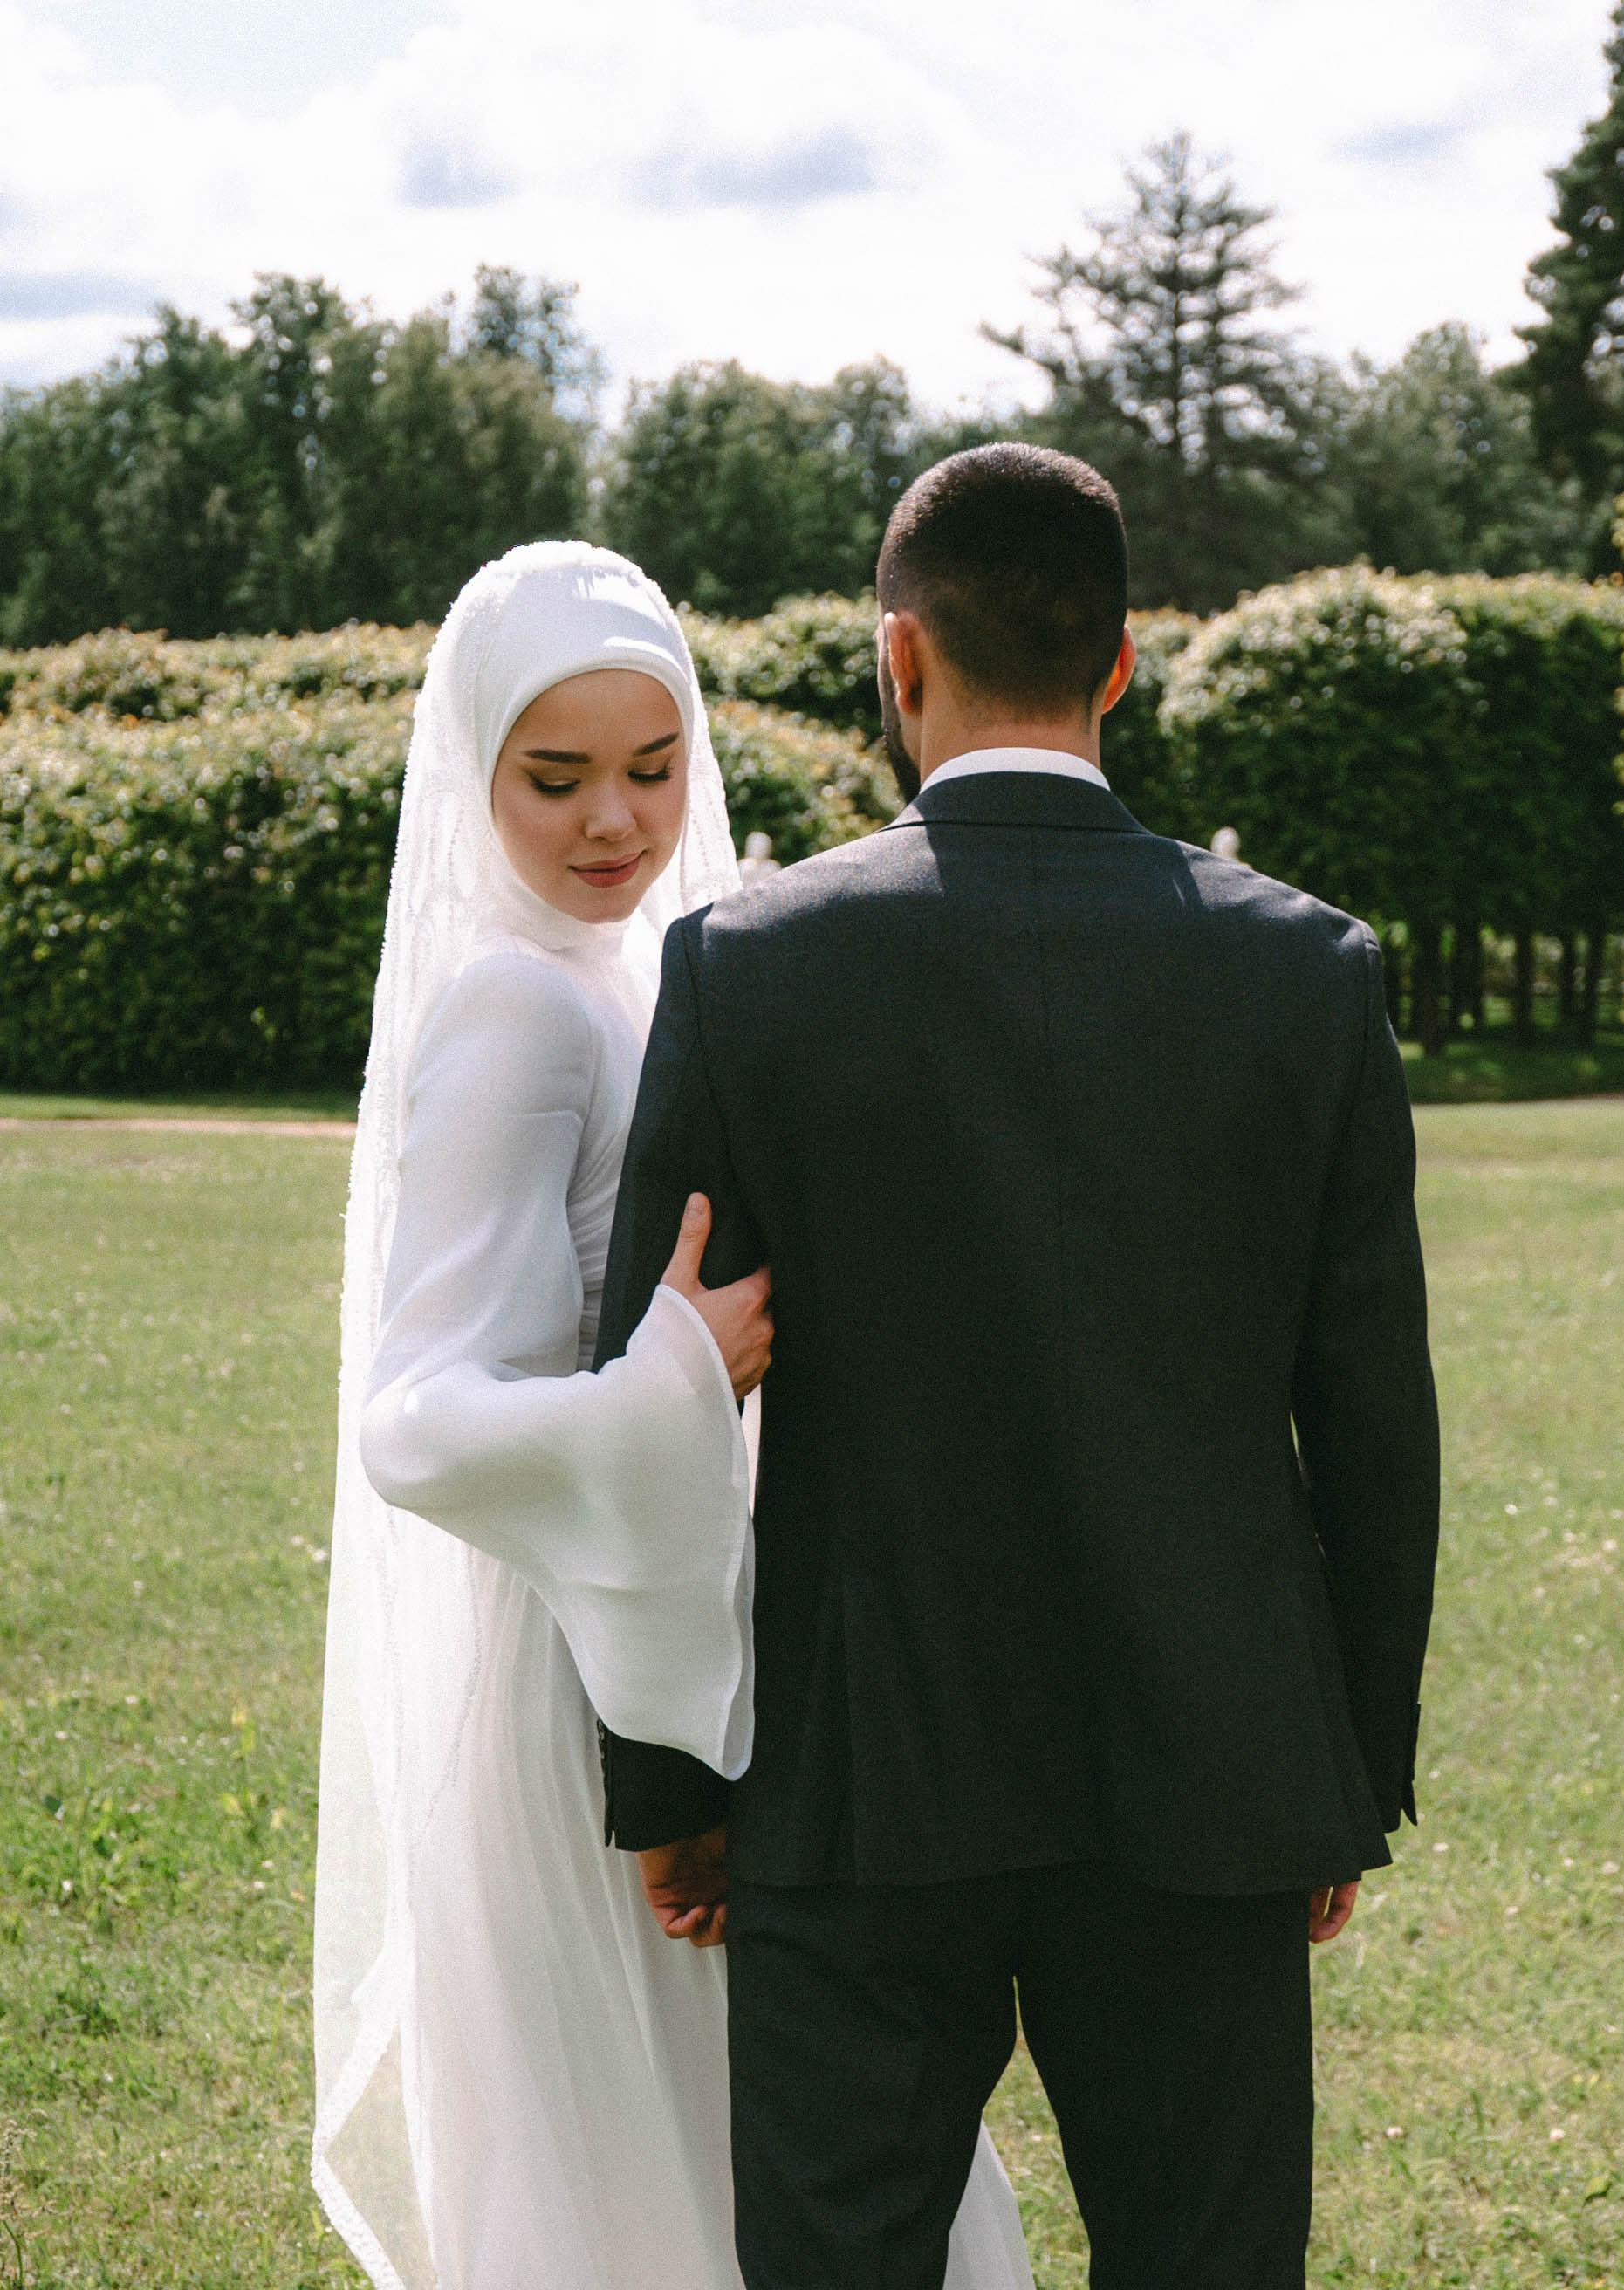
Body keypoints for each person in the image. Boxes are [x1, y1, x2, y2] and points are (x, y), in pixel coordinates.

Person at [597, 449, 1442, 2290]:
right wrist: (1340, 1773)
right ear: (1121, 665)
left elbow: (652, 1398)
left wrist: (668, 1781)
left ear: (898, 658)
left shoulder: (746, 966)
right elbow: (1377, 1421)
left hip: (857, 1775)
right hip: (1212, 1772)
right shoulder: (1310, 973)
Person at [312, 543, 1031, 2290]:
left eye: (653, 767)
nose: (615, 820)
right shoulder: (514, 1006)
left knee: (789, 2137)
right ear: (474, 771)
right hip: (590, 1674)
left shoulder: (642, 970)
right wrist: (674, 1376)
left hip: (696, 1620)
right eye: (555, 778)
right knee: (697, 2150)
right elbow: (416, 1420)